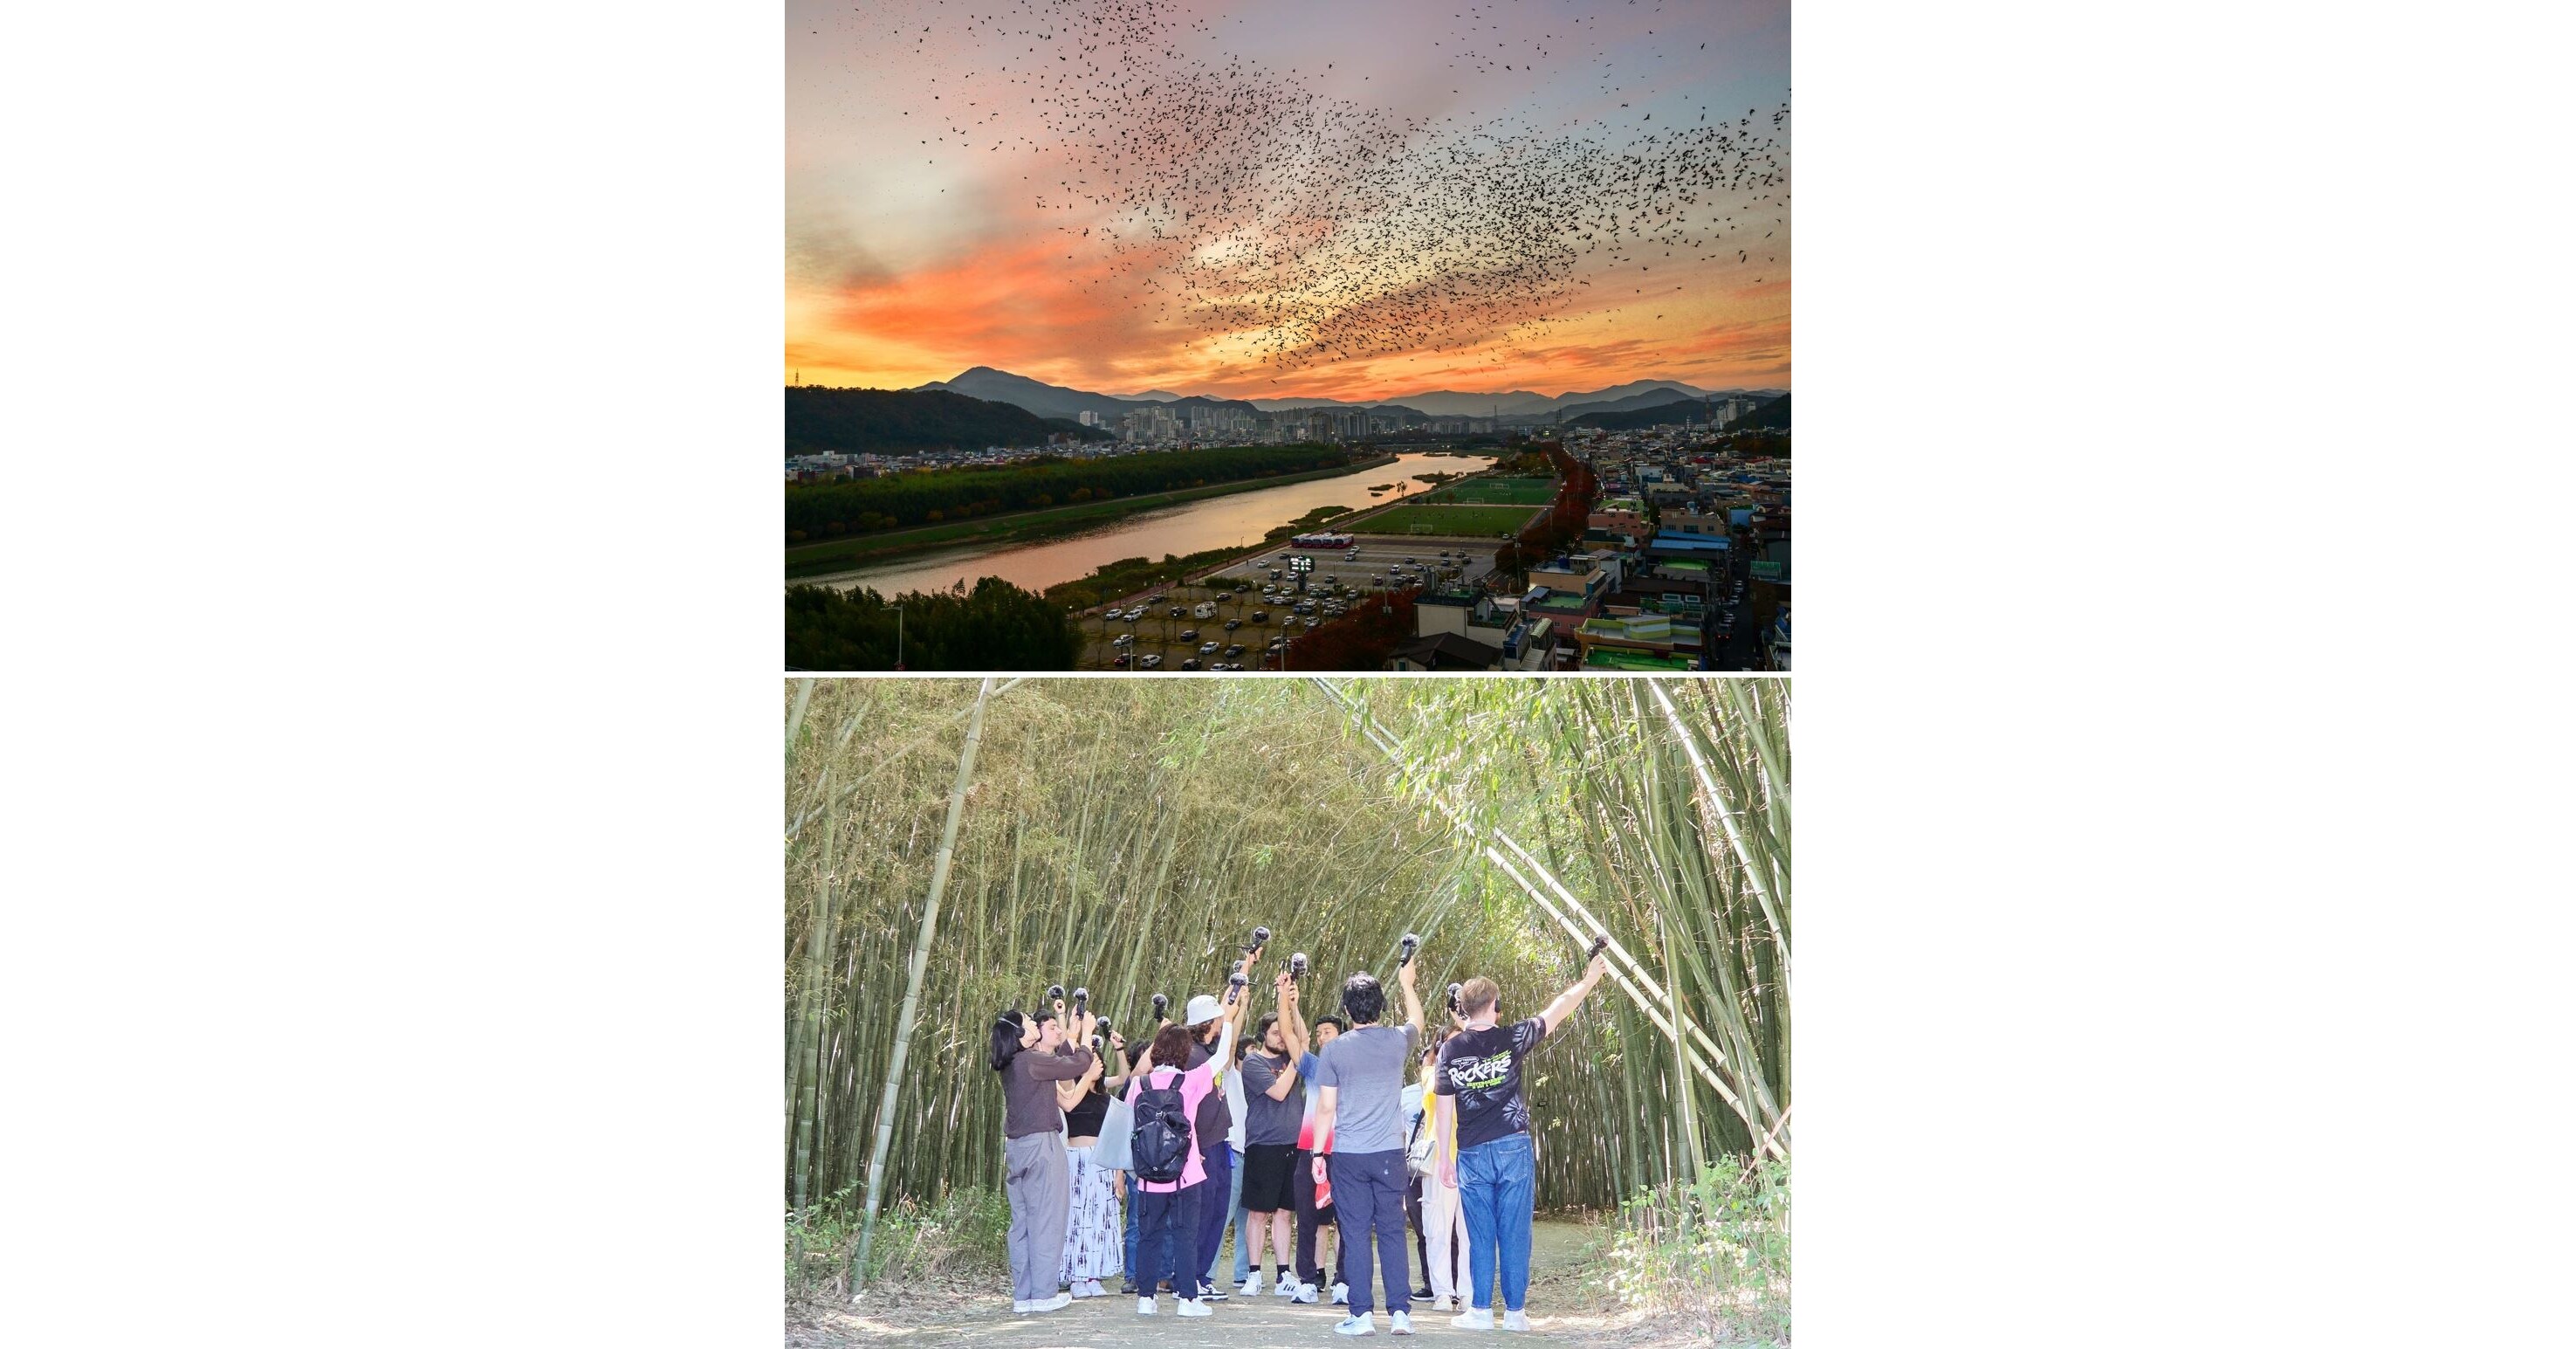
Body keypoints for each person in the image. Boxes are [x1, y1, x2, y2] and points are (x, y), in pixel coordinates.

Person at [1434, 953, 1609, 1331]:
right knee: (1514, 1231)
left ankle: (1481, 1310)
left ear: (1463, 1009)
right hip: (1512, 1146)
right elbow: (1557, 1010)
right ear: (1494, 1006)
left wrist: (1443, 1158)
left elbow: (1444, 1107)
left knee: (1480, 1233)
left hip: (1471, 1151)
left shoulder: (1449, 1049)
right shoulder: (1511, 1037)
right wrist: (1590, 979)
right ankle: (1515, 1313)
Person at [1312, 955, 1425, 1336]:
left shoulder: (1334, 1050)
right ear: (1381, 1006)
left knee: (1356, 1231)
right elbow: (1418, 1024)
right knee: (1392, 1229)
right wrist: (1407, 983)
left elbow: (1326, 1106)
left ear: (1346, 1010)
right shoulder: (1397, 1041)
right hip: (1390, 1153)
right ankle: (1400, 1314)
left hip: (1348, 1154)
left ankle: (1360, 1315)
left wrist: (1317, 1153)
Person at [1124, 1015, 1237, 1318]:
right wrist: (1227, 1019)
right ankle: (1188, 1298)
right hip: (1185, 1172)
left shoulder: (1139, 1084)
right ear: (1184, 1051)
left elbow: (1128, 1125)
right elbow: (1224, 1054)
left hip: (1148, 1174)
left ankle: (1145, 1298)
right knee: (1186, 1234)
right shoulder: (1190, 1081)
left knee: (1150, 1235)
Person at [993, 1006, 1096, 1315]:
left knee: (1022, 1224)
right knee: (1047, 1220)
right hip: (1042, 1146)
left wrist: (1071, 1031)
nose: (1032, 1023)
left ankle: (1024, 1296)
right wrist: (1088, 1035)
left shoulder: (1012, 1064)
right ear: (1021, 1034)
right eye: (1027, 1022)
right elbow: (1075, 1064)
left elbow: (1058, 1060)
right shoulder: (1030, 1061)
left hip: (1017, 1147)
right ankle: (1044, 1294)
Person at [1236, 974, 1308, 1297]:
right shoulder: (1253, 1062)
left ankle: (1282, 1274)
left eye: (1284, 1032)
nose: (1282, 1037)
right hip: (1263, 1144)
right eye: (1277, 1032)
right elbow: (1278, 1092)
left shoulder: (1290, 1056)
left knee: (1284, 1212)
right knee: (1258, 1211)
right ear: (1264, 1035)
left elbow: (1304, 1042)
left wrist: (1293, 1006)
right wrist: (1296, 1057)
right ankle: (1253, 1273)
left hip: (1293, 1144)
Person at [1056, 1014, 1129, 1298]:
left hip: (1103, 1160)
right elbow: (1064, 1065)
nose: (1094, 1063)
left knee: (1101, 1217)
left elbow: (1126, 1077)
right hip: (1076, 1159)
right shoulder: (1071, 1090)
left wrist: (1120, 1049)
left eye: (1096, 1059)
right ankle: (1076, 1274)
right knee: (1077, 1217)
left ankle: (1094, 1273)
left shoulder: (1106, 1096)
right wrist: (1065, 1021)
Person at [1288, 1006, 1347, 1304]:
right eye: (1320, 1033)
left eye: (1329, 1032)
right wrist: (1287, 999)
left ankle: (1344, 1281)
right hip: (1310, 1150)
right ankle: (1308, 1280)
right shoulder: (1312, 1066)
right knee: (1308, 1218)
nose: (1323, 1037)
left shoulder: (1353, 1066)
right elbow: (1288, 1035)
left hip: (1345, 1150)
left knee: (1348, 1218)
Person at [1412, 1036, 1470, 1311]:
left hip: (1472, 1155)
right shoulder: (1431, 1074)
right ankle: (1443, 1292)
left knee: (1470, 1229)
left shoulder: (1476, 1071)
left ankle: (1469, 1292)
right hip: (1440, 1157)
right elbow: (1435, 1092)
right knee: (1438, 1228)